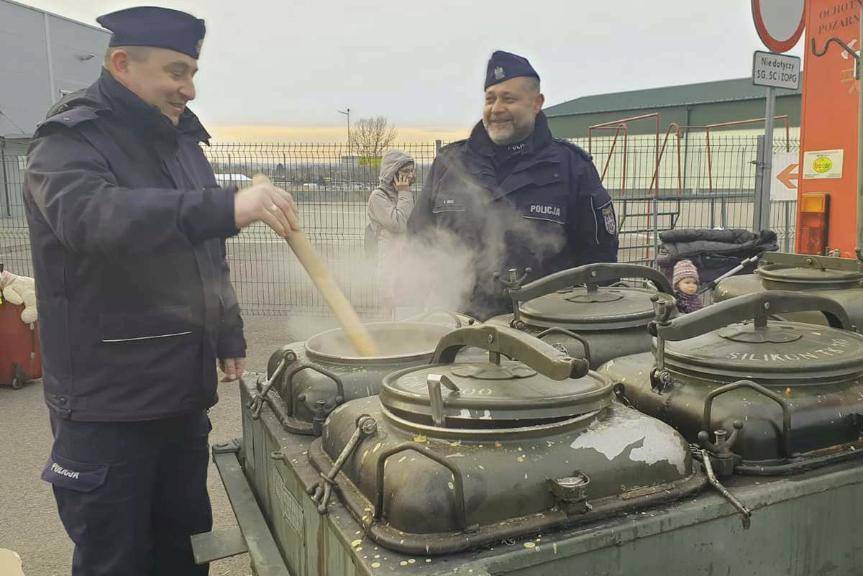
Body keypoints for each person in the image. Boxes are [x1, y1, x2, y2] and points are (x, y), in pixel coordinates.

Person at [24, 7, 299, 575]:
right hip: (107, 408)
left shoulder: (182, 146)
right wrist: (224, 205)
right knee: (116, 560)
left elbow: (204, 255)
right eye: (176, 72)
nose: (188, 89)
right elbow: (92, 219)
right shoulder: (70, 140)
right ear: (123, 63)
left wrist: (227, 332)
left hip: (179, 396)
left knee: (182, 552)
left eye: (193, 73)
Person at [407, 50, 618, 320]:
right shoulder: (449, 165)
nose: (496, 109)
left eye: (509, 99)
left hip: (546, 335)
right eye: (490, 98)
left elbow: (600, 265)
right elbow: (417, 243)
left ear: (536, 103)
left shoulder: (572, 168)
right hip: (458, 335)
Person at [366, 150, 416, 319]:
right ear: (392, 174)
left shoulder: (403, 195)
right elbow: (399, 224)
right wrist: (404, 193)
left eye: (412, 170)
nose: (411, 175)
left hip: (405, 257)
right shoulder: (378, 197)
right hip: (388, 258)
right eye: (406, 172)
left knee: (406, 303)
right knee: (389, 301)